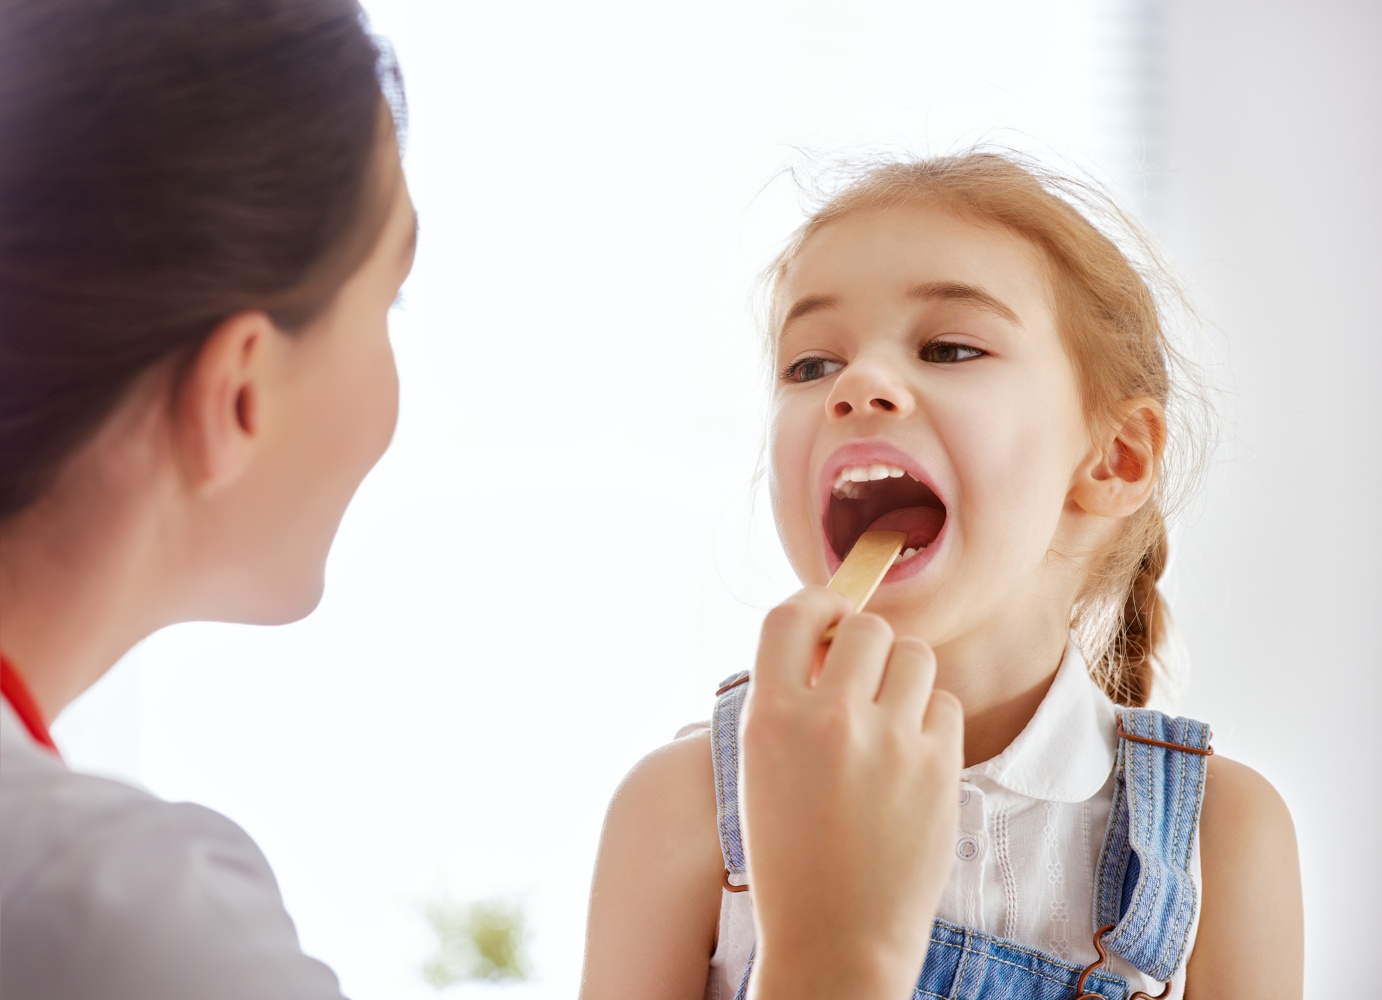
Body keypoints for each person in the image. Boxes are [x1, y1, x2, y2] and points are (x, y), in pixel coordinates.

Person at [0, 2, 959, 998]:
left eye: (950, 348)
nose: (861, 390)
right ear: (241, 391)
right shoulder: (113, 920)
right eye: (387, 301)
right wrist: (839, 954)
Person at [579, 154, 1305, 1000]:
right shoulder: (679, 811)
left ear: (1114, 458)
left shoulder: (1223, 840)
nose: (857, 385)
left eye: (949, 348)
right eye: (810, 365)